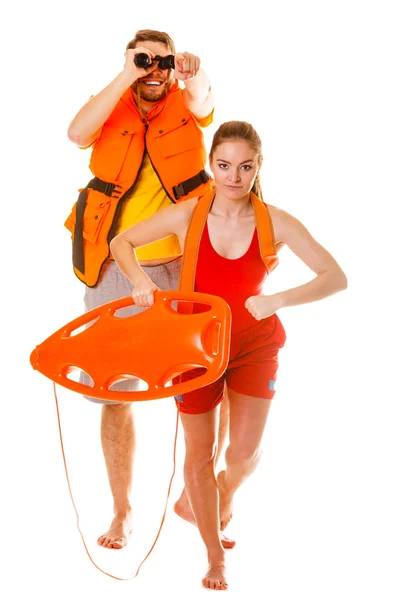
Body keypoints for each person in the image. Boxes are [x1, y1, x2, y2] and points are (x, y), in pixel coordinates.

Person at [110, 120, 348, 590]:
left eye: (244, 166)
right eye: (223, 166)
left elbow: (334, 276)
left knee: (244, 453)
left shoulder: (275, 220)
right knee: (199, 455)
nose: (234, 177)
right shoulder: (188, 214)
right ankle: (214, 556)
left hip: (254, 345)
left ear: (258, 166)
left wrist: (277, 300)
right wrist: (140, 281)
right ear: (211, 166)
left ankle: (222, 492)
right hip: (194, 347)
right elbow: (123, 242)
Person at [64, 29, 216, 551]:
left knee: (201, 385)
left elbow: (205, 100)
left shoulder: (185, 100)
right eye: (143, 61)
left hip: (183, 261)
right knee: (114, 390)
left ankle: (195, 497)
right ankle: (122, 511)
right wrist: (129, 73)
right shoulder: (110, 102)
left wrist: (192, 74)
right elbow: (76, 132)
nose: (154, 71)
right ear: (129, 60)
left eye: (161, 62)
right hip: (113, 265)